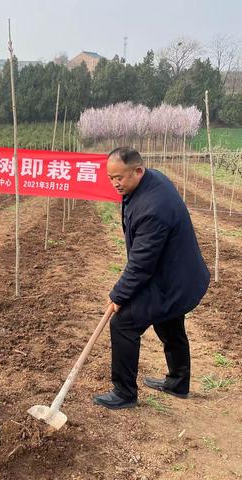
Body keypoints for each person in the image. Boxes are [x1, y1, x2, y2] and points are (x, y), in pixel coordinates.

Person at [93, 147, 210, 410]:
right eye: (111, 178)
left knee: (123, 323)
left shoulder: (153, 207)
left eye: (119, 177)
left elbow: (141, 264)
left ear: (138, 170)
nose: (115, 183)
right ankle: (178, 382)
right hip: (176, 271)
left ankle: (124, 393)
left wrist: (118, 295)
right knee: (168, 321)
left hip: (173, 278)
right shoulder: (148, 183)